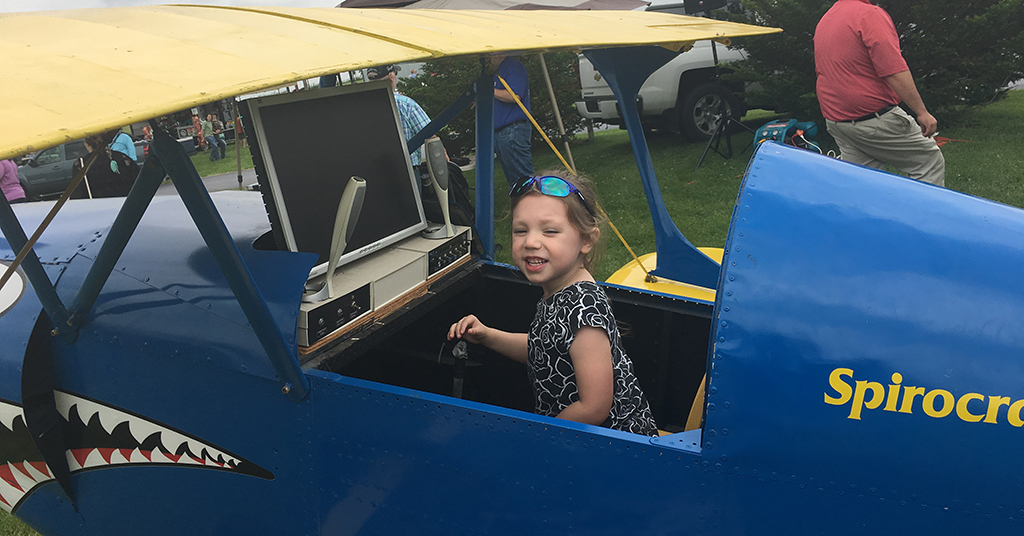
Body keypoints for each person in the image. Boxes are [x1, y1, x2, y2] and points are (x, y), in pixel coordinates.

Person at [447, 171, 658, 437]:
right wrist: (488, 336)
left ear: (586, 240)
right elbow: (545, 351)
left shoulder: (583, 309)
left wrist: (539, 437)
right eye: (521, 230)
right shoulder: (559, 292)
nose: (531, 242)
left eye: (550, 231)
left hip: (609, 450)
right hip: (573, 436)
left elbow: (594, 408)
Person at [814, 0, 945, 187]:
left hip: (838, 122)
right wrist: (922, 112)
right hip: (873, 120)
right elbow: (892, 69)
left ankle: (864, 215)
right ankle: (923, 216)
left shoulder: (827, 18)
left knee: (864, 183)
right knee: (928, 162)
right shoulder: (869, 14)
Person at [367, 64, 432, 166]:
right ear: (391, 77)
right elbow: (430, 135)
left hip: (374, 172)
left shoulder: (361, 107)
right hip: (410, 170)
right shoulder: (406, 104)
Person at [491, 54, 534, 187]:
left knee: (523, 179)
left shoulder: (512, 66)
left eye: (490, 54)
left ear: (499, 53)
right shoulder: (500, 70)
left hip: (512, 130)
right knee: (515, 181)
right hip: (504, 133)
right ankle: (522, 204)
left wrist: (488, 91)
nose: (488, 58)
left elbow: (514, 95)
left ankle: (533, 205)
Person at [70, 134, 138, 199]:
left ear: (87, 144)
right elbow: (138, 180)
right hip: (125, 203)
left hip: (99, 207)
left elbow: (77, 193)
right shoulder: (123, 158)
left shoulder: (81, 164)